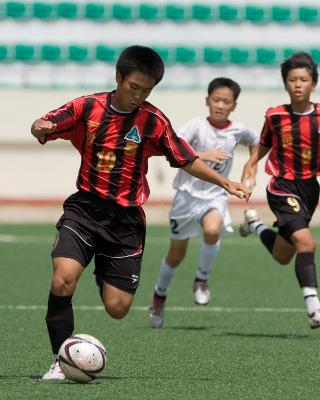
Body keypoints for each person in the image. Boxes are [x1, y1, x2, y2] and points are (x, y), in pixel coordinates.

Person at [31, 46, 250, 380]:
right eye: (134, 87)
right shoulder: (88, 107)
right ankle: (59, 358)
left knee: (117, 309)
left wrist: (225, 183)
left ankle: (100, 265)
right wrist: (39, 126)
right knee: (62, 278)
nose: (138, 96)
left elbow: (186, 158)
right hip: (85, 209)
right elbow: (48, 122)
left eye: (146, 90)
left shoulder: (153, 121)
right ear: (118, 77)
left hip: (126, 222)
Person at [149, 77, 258, 328]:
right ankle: (159, 296)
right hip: (186, 196)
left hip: (215, 195)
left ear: (234, 106)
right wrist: (202, 155)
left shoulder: (238, 130)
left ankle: (201, 279)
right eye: (216, 99)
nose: (220, 105)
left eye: (226, 101)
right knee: (176, 255)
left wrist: (250, 166)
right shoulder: (196, 126)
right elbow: (171, 146)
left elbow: (256, 143)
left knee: (212, 230)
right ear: (207, 100)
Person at [239, 51, 320, 329]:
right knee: (307, 244)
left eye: (304, 79)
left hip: (310, 188)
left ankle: (255, 225)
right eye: (292, 79)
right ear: (285, 83)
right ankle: (314, 308)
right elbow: (264, 143)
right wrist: (251, 164)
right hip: (282, 186)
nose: (298, 84)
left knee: (283, 255)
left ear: (313, 83)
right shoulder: (275, 116)